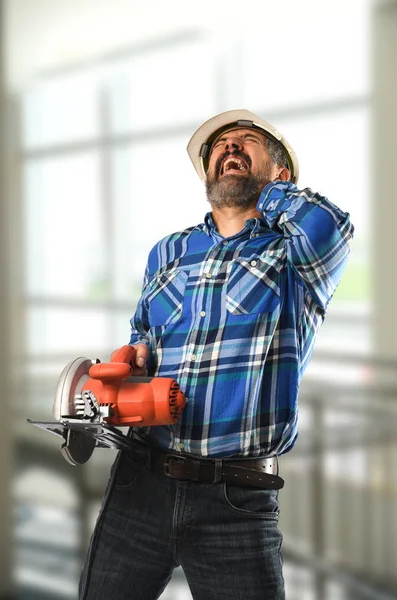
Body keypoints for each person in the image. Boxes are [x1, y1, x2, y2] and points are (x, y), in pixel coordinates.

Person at [78, 109, 354, 600]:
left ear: (281, 173)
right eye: (220, 147)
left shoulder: (295, 255)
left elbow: (331, 224)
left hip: (235, 497)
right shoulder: (168, 251)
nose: (229, 148)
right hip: (140, 481)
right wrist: (136, 354)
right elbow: (145, 329)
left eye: (247, 142)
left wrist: (267, 189)